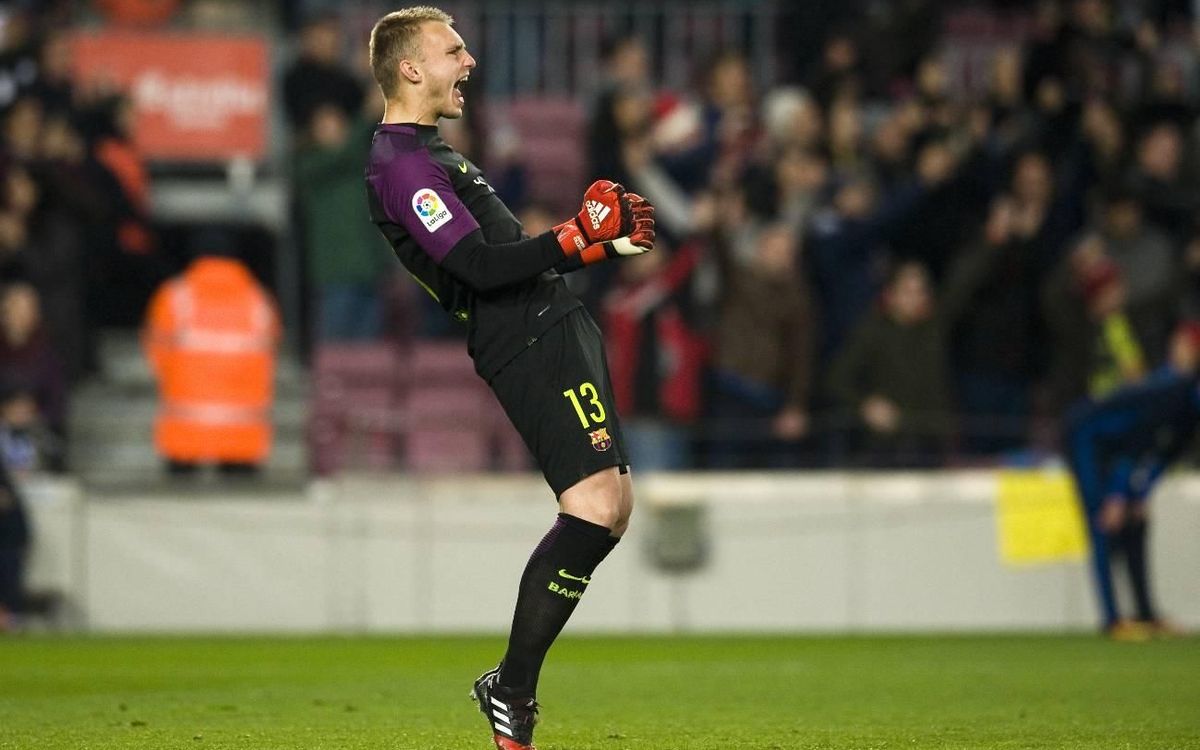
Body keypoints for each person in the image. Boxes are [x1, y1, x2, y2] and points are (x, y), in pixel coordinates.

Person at [363, 9, 654, 750]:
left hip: (554, 320)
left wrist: (592, 248)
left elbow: (508, 253)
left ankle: (512, 684)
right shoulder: (400, 167)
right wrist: (572, 236)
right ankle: (512, 690)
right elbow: (480, 269)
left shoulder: (435, 151)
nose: (468, 61)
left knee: (612, 506)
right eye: (452, 50)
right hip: (519, 337)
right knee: (591, 504)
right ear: (410, 68)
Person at [1063, 321, 1200, 640]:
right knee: (1103, 520)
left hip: (1115, 448)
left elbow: (1164, 455)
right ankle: (1112, 620)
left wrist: (1139, 492)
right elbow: (1136, 444)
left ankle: (1146, 614)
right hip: (1087, 435)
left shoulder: (1186, 401)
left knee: (1136, 522)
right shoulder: (1171, 391)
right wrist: (1118, 494)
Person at [142, 242, 281, 477]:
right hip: (243, 437)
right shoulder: (258, 300)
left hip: (183, 434)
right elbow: (271, 353)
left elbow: (156, 350)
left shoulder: (176, 297)